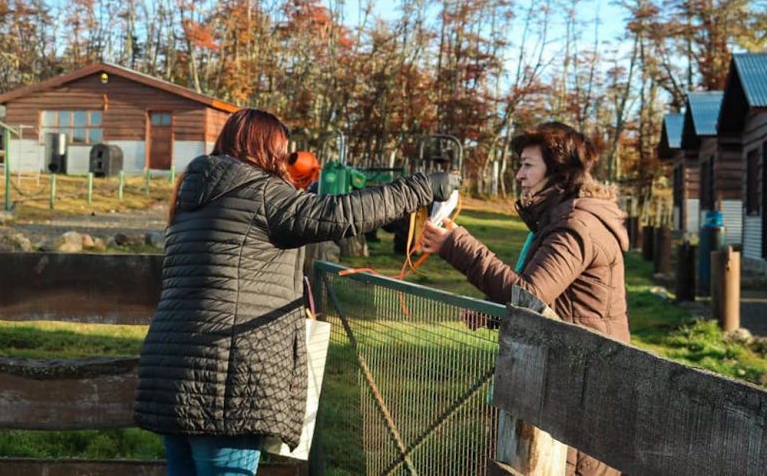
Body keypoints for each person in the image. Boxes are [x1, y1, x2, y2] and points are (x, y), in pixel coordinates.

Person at [133, 108, 460, 476]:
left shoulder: (192, 195)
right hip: (225, 379)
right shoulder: (259, 193)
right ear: (265, 148)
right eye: (282, 150)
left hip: (172, 369)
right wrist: (420, 187)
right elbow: (342, 213)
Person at [422, 121, 629, 476]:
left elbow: (530, 294)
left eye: (528, 165)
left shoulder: (576, 225)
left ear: (560, 170)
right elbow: (556, 299)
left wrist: (454, 244)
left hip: (581, 386)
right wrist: (493, 315)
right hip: (571, 375)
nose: (519, 175)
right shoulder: (563, 217)